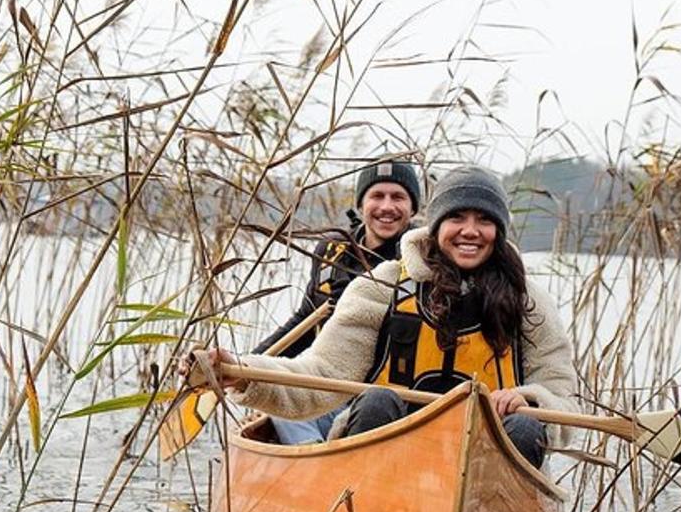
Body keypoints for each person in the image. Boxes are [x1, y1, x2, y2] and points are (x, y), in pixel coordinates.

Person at [187, 165, 578, 467]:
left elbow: (562, 399)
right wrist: (243, 372)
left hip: (481, 469)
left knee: (527, 425)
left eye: (485, 220)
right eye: (458, 218)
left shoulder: (528, 302)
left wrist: (530, 398)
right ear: (436, 225)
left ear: (499, 229)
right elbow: (322, 375)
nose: (470, 231)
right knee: (377, 400)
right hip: (382, 464)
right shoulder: (381, 288)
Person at [257, 159, 419, 444]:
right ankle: (313, 457)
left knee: (374, 404)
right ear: (360, 204)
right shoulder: (331, 251)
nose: (386, 207)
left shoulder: (421, 261)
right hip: (329, 386)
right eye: (377, 196)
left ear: (413, 208)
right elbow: (305, 320)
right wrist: (250, 365)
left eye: (398, 197)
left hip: (387, 399)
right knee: (280, 391)